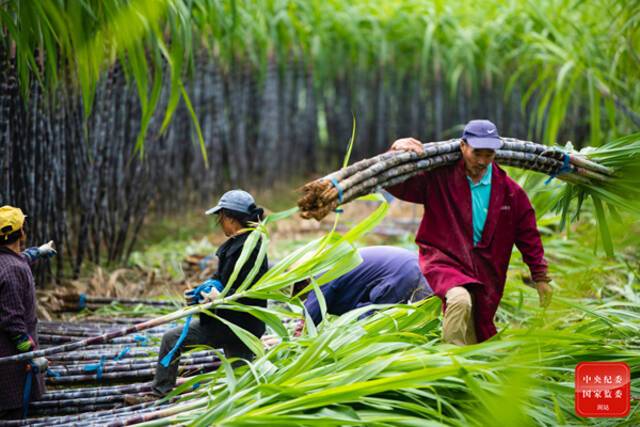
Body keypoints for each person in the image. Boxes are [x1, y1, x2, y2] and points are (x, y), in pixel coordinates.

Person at [385, 120, 552, 346]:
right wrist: (395, 153)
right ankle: (450, 364)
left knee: (478, 333)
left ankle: (470, 369)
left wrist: (540, 277)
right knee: (460, 301)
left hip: (486, 271)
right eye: (477, 153)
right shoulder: (440, 178)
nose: (483, 161)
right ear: (463, 146)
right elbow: (397, 185)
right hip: (444, 259)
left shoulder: (512, 193)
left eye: (489, 154)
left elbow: (528, 236)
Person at [126, 190, 268, 403]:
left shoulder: (252, 248)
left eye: (220, 218)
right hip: (230, 321)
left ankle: (160, 395)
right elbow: (220, 277)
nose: (219, 223)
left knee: (171, 339)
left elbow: (250, 293)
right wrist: (200, 293)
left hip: (238, 326)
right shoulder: (237, 242)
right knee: (240, 386)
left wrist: (220, 297)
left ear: (230, 218)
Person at [0, 206, 57, 419]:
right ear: (22, 232)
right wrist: (32, 355)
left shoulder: (9, 261)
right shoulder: (13, 270)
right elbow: (12, 322)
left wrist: (38, 252)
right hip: (10, 358)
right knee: (12, 411)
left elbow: (20, 257)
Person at [296, 246, 433, 329]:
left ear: (305, 279)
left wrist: (295, 340)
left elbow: (310, 318)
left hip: (401, 274)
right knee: (417, 318)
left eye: (299, 289)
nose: (303, 296)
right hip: (411, 267)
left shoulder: (322, 275)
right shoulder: (337, 264)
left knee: (369, 323)